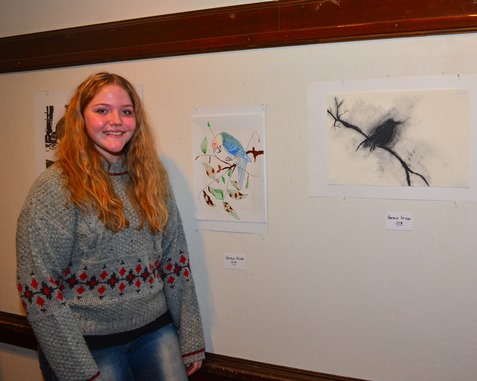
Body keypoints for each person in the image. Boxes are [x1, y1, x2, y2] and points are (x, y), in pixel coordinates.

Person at [16, 72, 206, 381]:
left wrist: (191, 336)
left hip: (156, 332)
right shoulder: (54, 187)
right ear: (80, 118)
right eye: (102, 110)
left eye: (126, 111)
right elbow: (37, 287)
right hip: (89, 346)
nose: (115, 120)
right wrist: (76, 368)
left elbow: (176, 260)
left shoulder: (152, 176)